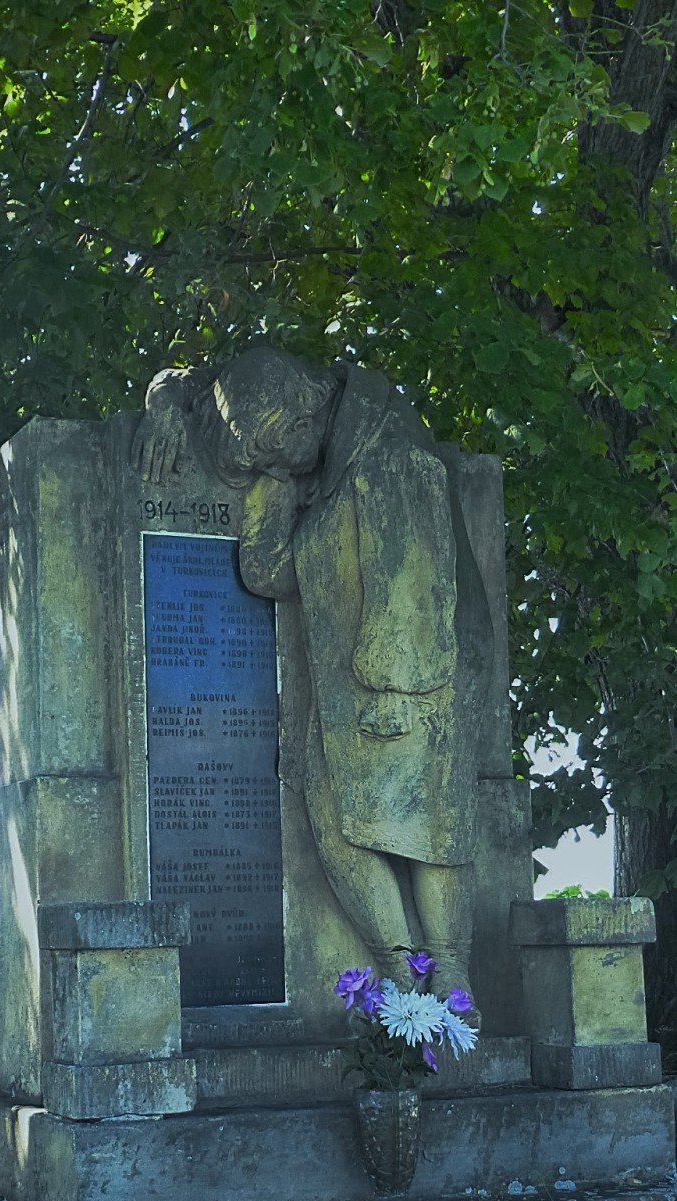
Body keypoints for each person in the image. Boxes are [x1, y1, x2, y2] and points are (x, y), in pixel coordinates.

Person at [132, 347, 492, 1001]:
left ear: (300, 420)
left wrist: (394, 682)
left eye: (272, 454)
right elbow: (269, 572)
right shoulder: (318, 466)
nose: (268, 469)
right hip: (342, 691)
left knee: (426, 829)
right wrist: (164, 404)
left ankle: (451, 973)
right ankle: (404, 975)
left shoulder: (387, 446)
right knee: (334, 825)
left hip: (412, 680)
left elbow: (416, 571)